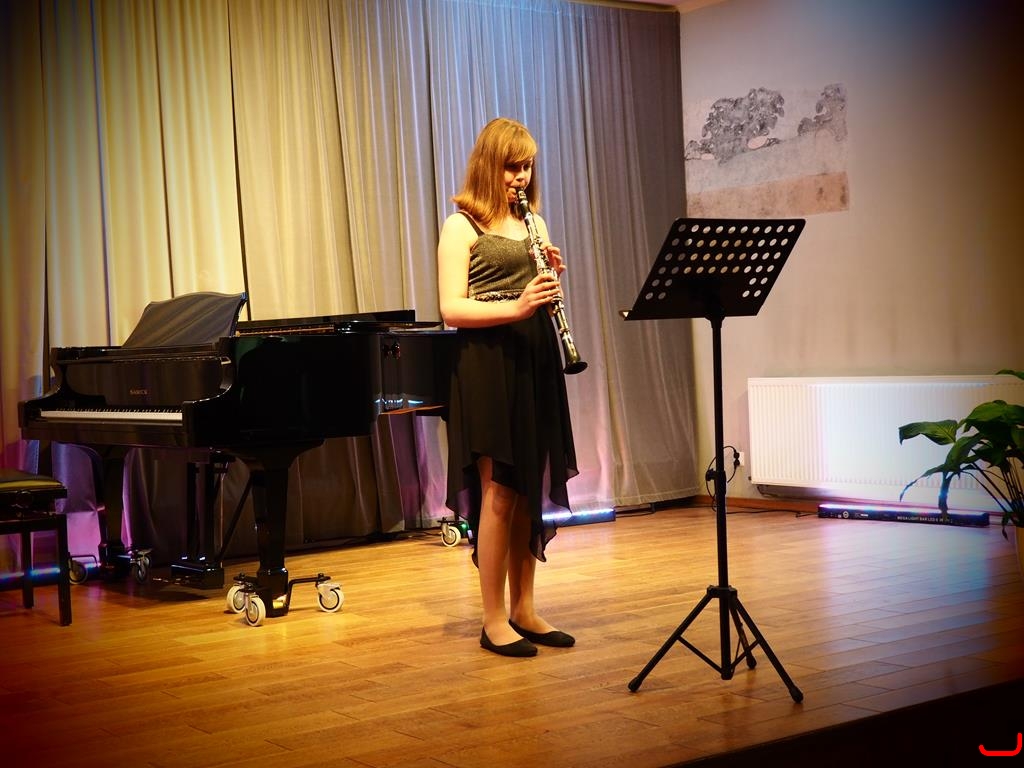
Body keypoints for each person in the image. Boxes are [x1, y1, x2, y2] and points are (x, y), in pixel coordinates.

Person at [437, 117, 579, 658]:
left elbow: (535, 294)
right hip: (487, 363)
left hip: (533, 356)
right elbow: (451, 308)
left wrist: (548, 277)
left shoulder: (534, 222)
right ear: (489, 165)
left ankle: (524, 608)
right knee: (498, 491)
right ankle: (493, 618)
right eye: (511, 167)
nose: (521, 176)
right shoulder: (461, 225)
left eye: (527, 167)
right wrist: (517, 305)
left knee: (527, 489)